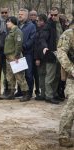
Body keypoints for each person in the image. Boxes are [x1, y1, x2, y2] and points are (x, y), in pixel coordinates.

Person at [42, 7, 67, 104]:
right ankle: (48, 96)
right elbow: (43, 37)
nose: (53, 17)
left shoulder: (62, 22)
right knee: (50, 76)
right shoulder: (48, 24)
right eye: (51, 15)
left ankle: (54, 94)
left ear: (59, 14)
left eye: (55, 15)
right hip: (51, 54)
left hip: (61, 54)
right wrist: (44, 47)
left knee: (57, 75)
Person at [57, 13, 74, 147]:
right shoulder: (69, 34)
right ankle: (64, 136)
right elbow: (61, 52)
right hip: (72, 76)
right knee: (72, 103)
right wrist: (71, 69)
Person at [3, 16, 30, 101]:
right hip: (9, 57)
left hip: (15, 57)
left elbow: (18, 44)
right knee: (10, 76)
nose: (7, 23)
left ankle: (26, 93)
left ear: (13, 22)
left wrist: (17, 56)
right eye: (7, 21)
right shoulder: (10, 32)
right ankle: (11, 93)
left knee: (19, 76)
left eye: (8, 22)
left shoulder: (17, 31)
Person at [17, 8, 36, 99]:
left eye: (22, 14)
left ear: (27, 16)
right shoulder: (17, 24)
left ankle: (29, 93)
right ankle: (21, 91)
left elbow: (32, 39)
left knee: (28, 74)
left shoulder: (31, 26)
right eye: (19, 14)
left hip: (27, 53)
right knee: (19, 72)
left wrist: (23, 46)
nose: (20, 15)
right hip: (18, 53)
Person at [34, 14, 47, 100]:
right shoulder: (40, 30)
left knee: (42, 76)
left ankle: (43, 94)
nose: (37, 22)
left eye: (38, 20)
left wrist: (37, 58)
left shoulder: (43, 31)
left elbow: (39, 46)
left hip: (43, 57)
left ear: (43, 21)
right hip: (43, 57)